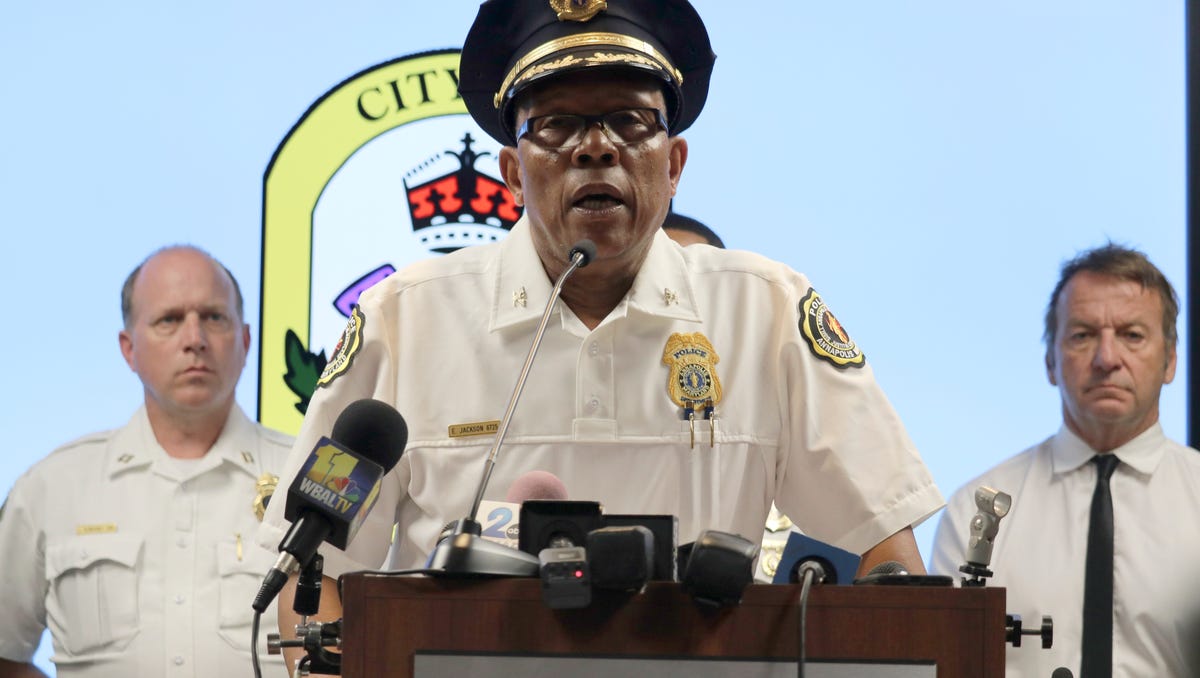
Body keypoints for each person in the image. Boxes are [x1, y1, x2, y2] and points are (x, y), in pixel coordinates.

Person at [261, 1, 943, 671]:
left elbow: (887, 554)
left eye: (630, 121)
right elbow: (310, 575)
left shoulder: (765, 310)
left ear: (673, 166)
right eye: (558, 125)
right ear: (512, 173)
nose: (596, 147)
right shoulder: (405, 319)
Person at [0, 246, 292, 677]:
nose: (195, 339)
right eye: (169, 320)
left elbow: (369, 642)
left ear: (245, 342)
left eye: (214, 317)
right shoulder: (53, 487)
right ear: (129, 349)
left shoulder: (303, 479)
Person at [930, 243, 1200, 677]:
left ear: (1170, 361)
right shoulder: (974, 513)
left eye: (1132, 335)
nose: (1107, 359)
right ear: (1050, 362)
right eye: (1082, 335)